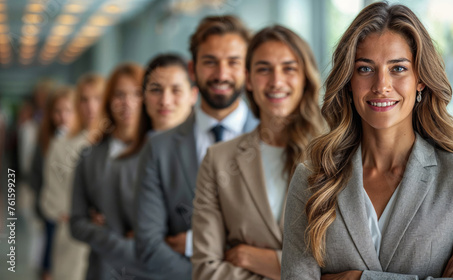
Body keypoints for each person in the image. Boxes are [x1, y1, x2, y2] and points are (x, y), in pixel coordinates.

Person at [281, 2, 453, 279]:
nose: (381, 85)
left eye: (397, 69)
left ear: (420, 79)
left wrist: (356, 278)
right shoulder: (312, 180)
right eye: (364, 69)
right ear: (348, 80)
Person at [191, 25, 324, 280]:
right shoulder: (218, 160)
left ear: (305, 77)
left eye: (289, 68)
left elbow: (344, 265)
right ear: (248, 79)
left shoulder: (335, 155)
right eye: (264, 69)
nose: (276, 81)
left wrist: (260, 259)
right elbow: (205, 270)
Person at [134, 15, 259, 279]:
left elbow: (284, 246)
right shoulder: (158, 148)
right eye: (210, 62)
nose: (221, 74)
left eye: (233, 62)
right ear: (192, 70)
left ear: (247, 70)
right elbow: (149, 246)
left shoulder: (277, 140)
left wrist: (192, 244)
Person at [95, 53, 199, 279]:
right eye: (156, 90)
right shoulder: (120, 163)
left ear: (193, 94)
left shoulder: (212, 150)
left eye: (176, 90)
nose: (165, 101)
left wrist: (192, 244)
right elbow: (118, 241)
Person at [70, 63, 145, 280]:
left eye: (136, 94)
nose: (127, 103)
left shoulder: (161, 153)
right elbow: (76, 222)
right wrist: (112, 239)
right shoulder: (90, 156)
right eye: (119, 95)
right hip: (103, 268)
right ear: (110, 102)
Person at [40, 73, 105, 280]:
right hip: (73, 242)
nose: (91, 106)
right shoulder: (61, 146)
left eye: (97, 98)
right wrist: (82, 215)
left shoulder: (122, 144)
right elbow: (50, 200)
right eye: (84, 100)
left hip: (112, 244)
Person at [31, 85, 75, 280]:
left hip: (73, 213)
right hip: (51, 211)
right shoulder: (44, 141)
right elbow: (36, 177)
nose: (63, 117)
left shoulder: (84, 141)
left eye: (68, 110)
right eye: (58, 111)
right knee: (49, 261)